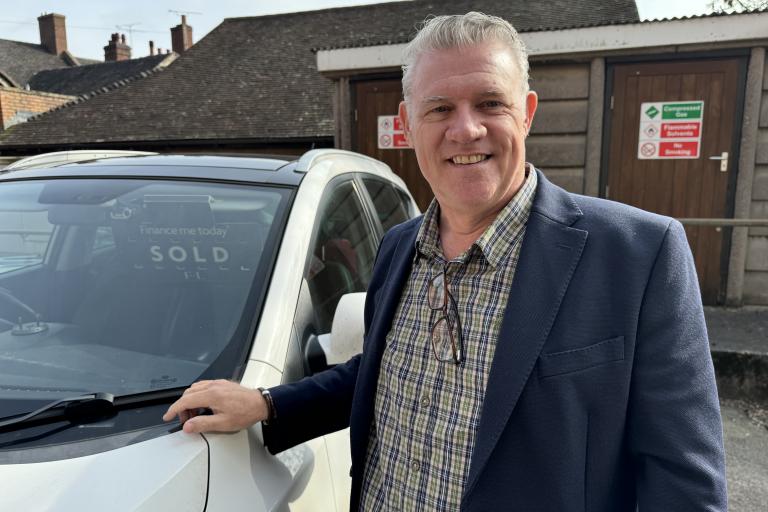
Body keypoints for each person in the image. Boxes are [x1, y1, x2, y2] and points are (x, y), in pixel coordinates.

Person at [164, 12, 727, 511]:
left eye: (490, 103)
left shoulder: (639, 255)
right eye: (440, 108)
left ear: (526, 113)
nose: (467, 129)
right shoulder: (398, 246)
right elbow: (384, 374)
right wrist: (266, 403)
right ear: (410, 127)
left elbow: (684, 479)